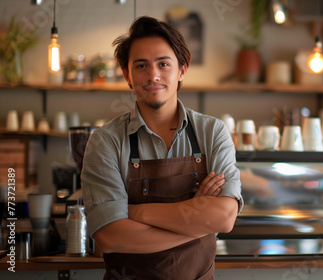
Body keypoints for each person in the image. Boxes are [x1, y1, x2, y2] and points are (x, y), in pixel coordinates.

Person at [81, 16, 243, 280]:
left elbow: (224, 218)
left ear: (181, 70)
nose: (153, 75)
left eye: (163, 64)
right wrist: (198, 216)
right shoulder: (105, 141)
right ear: (127, 75)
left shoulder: (212, 132)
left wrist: (137, 212)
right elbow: (111, 237)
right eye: (141, 65)